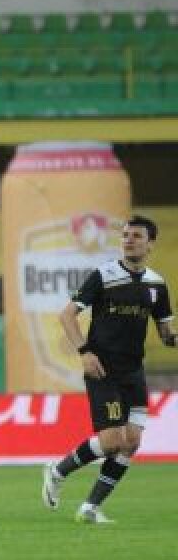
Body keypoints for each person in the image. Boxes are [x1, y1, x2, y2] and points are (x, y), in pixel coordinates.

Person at [42, 216, 174, 523]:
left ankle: (90, 507)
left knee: (132, 443)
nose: (129, 240)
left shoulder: (156, 284)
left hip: (134, 371)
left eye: (137, 236)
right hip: (103, 369)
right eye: (125, 235)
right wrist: (85, 352)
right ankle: (58, 469)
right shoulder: (104, 275)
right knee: (113, 441)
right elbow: (66, 316)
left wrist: (173, 338)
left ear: (150, 244)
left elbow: (167, 334)